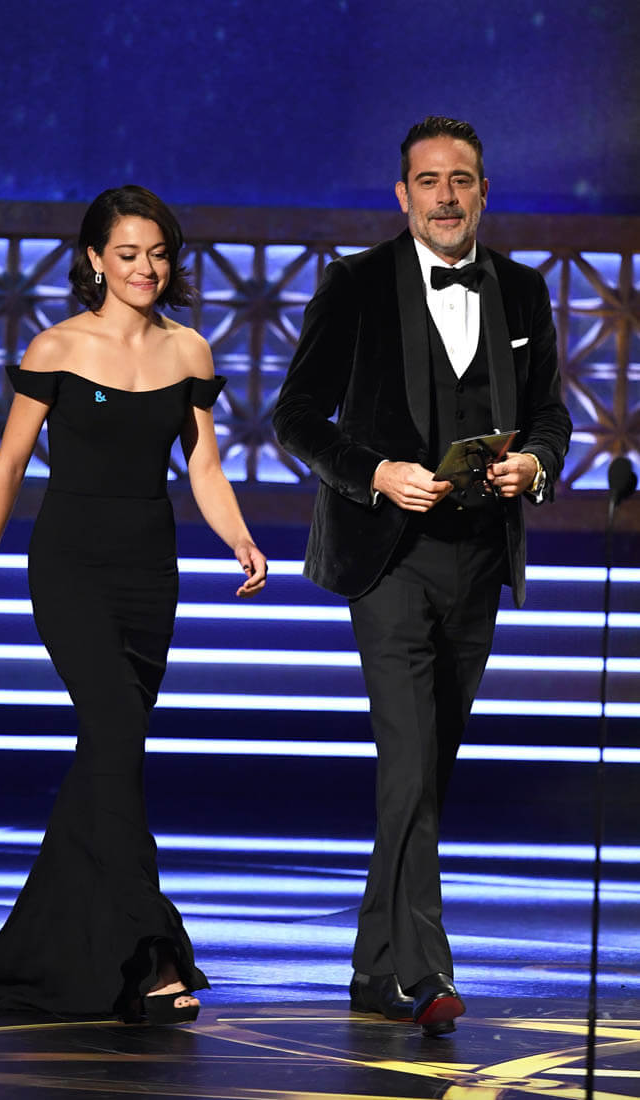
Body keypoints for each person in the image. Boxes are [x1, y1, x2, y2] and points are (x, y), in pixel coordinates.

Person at [273, 117, 571, 1036]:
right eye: (429, 180)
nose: (446, 196)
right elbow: (295, 415)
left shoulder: (521, 291)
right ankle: (423, 972)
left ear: (483, 191)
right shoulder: (355, 284)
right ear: (402, 194)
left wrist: (536, 464)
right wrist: (375, 473)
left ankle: (372, 965)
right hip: (389, 558)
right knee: (408, 763)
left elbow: (551, 414)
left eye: (461, 179)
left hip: (478, 560)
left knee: (425, 774)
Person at [0, 184, 267, 1025]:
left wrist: (238, 536)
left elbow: (203, 466)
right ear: (94, 258)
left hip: (148, 574)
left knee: (108, 757)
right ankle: (154, 953)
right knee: (117, 734)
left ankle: (43, 956)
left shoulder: (189, 351)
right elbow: (8, 467)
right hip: (69, 569)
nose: (144, 269)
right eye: (127, 254)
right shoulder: (56, 347)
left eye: (157, 254)